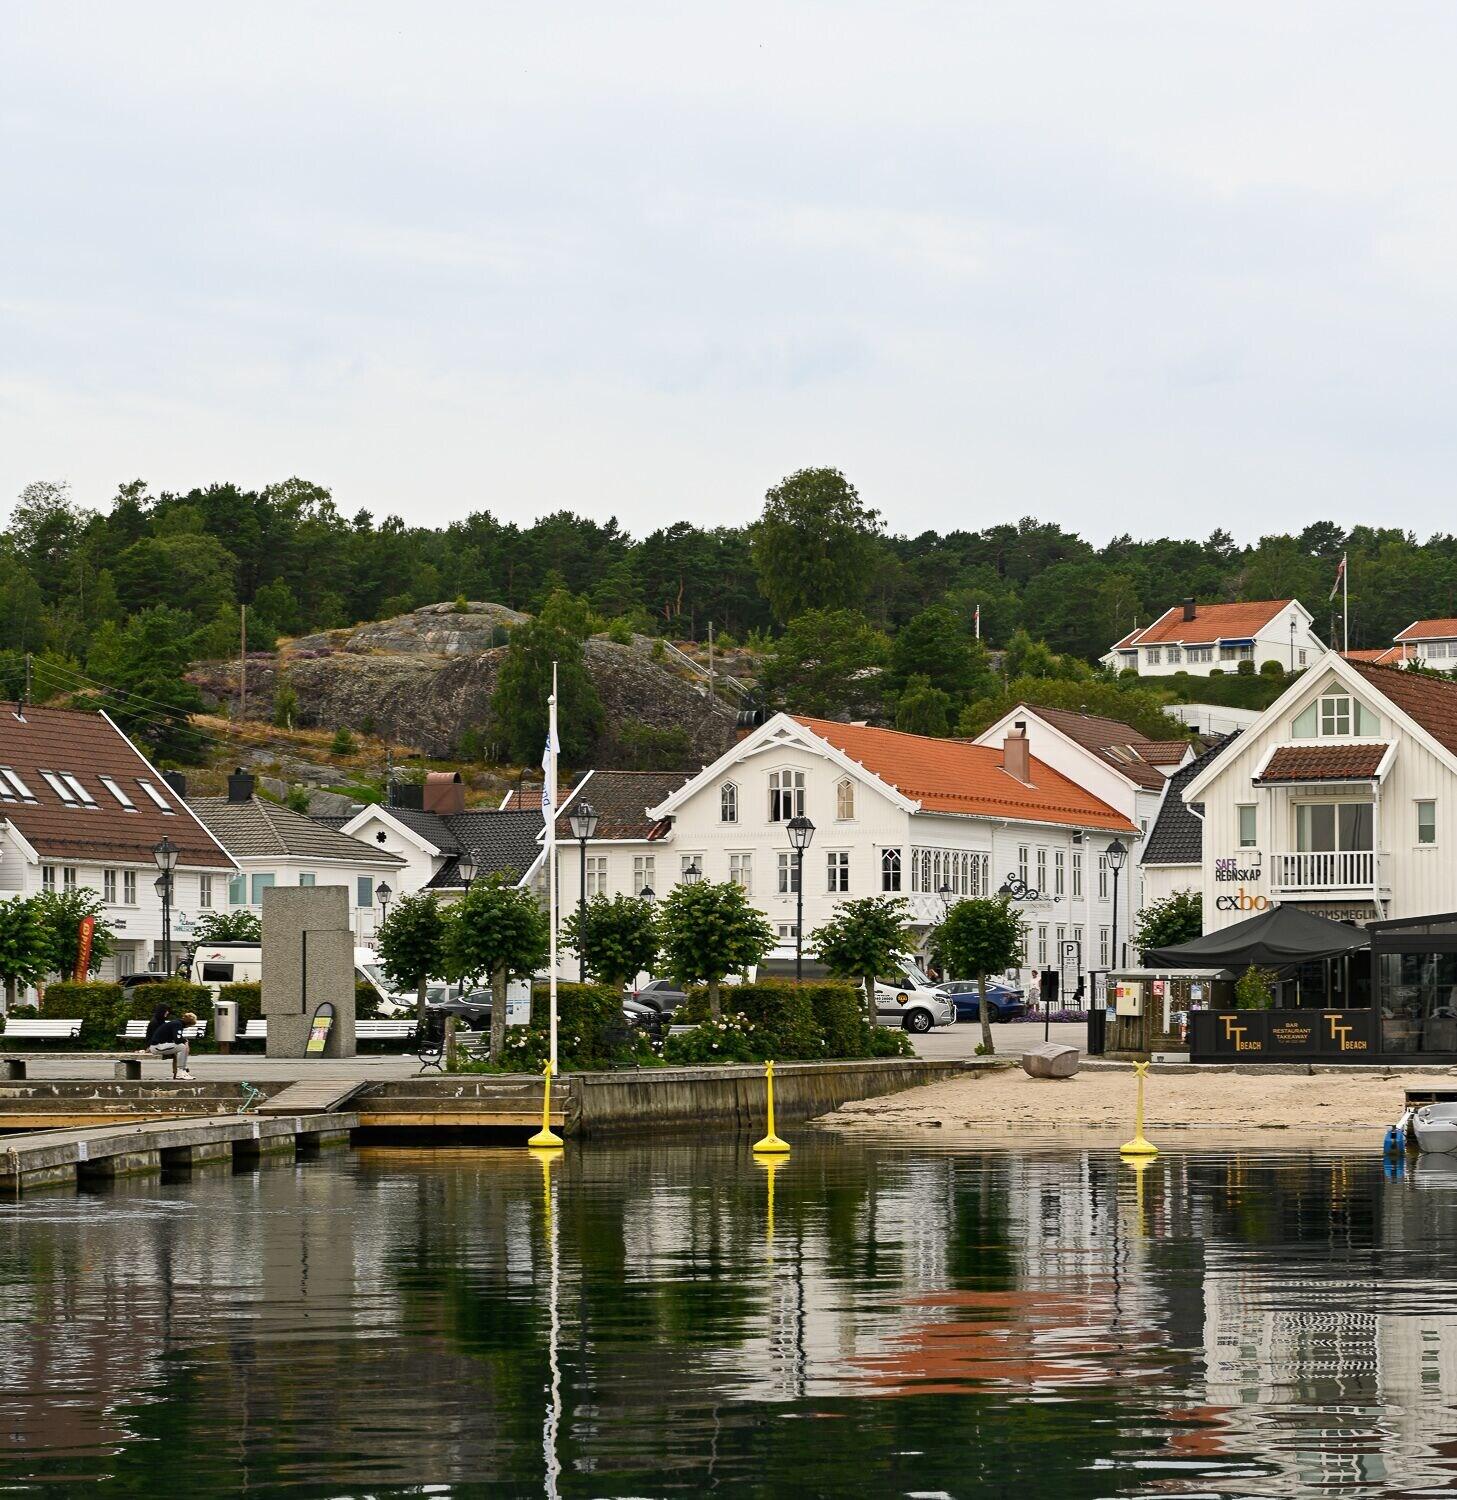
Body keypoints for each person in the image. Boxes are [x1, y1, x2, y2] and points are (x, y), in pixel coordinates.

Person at [148, 1009, 196, 1080]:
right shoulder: (177, 1024)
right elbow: (177, 1040)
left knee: (182, 1047)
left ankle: (183, 1070)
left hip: (161, 1046)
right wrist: (185, 1041)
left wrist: (185, 1041)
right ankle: (180, 1072)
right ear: (188, 1023)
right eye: (189, 1026)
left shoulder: (176, 1023)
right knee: (182, 1047)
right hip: (156, 1047)